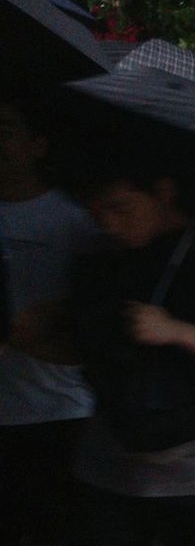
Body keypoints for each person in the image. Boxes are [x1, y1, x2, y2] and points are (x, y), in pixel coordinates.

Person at [63, 155, 195, 545]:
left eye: (121, 208)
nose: (110, 224)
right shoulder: (96, 254)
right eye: (97, 212)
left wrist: (175, 330)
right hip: (104, 469)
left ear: (163, 192)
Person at [0, 94, 102, 544]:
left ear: (37, 144)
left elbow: (98, 327)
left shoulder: (76, 223)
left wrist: (23, 335)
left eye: (4, 131)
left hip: (59, 411)